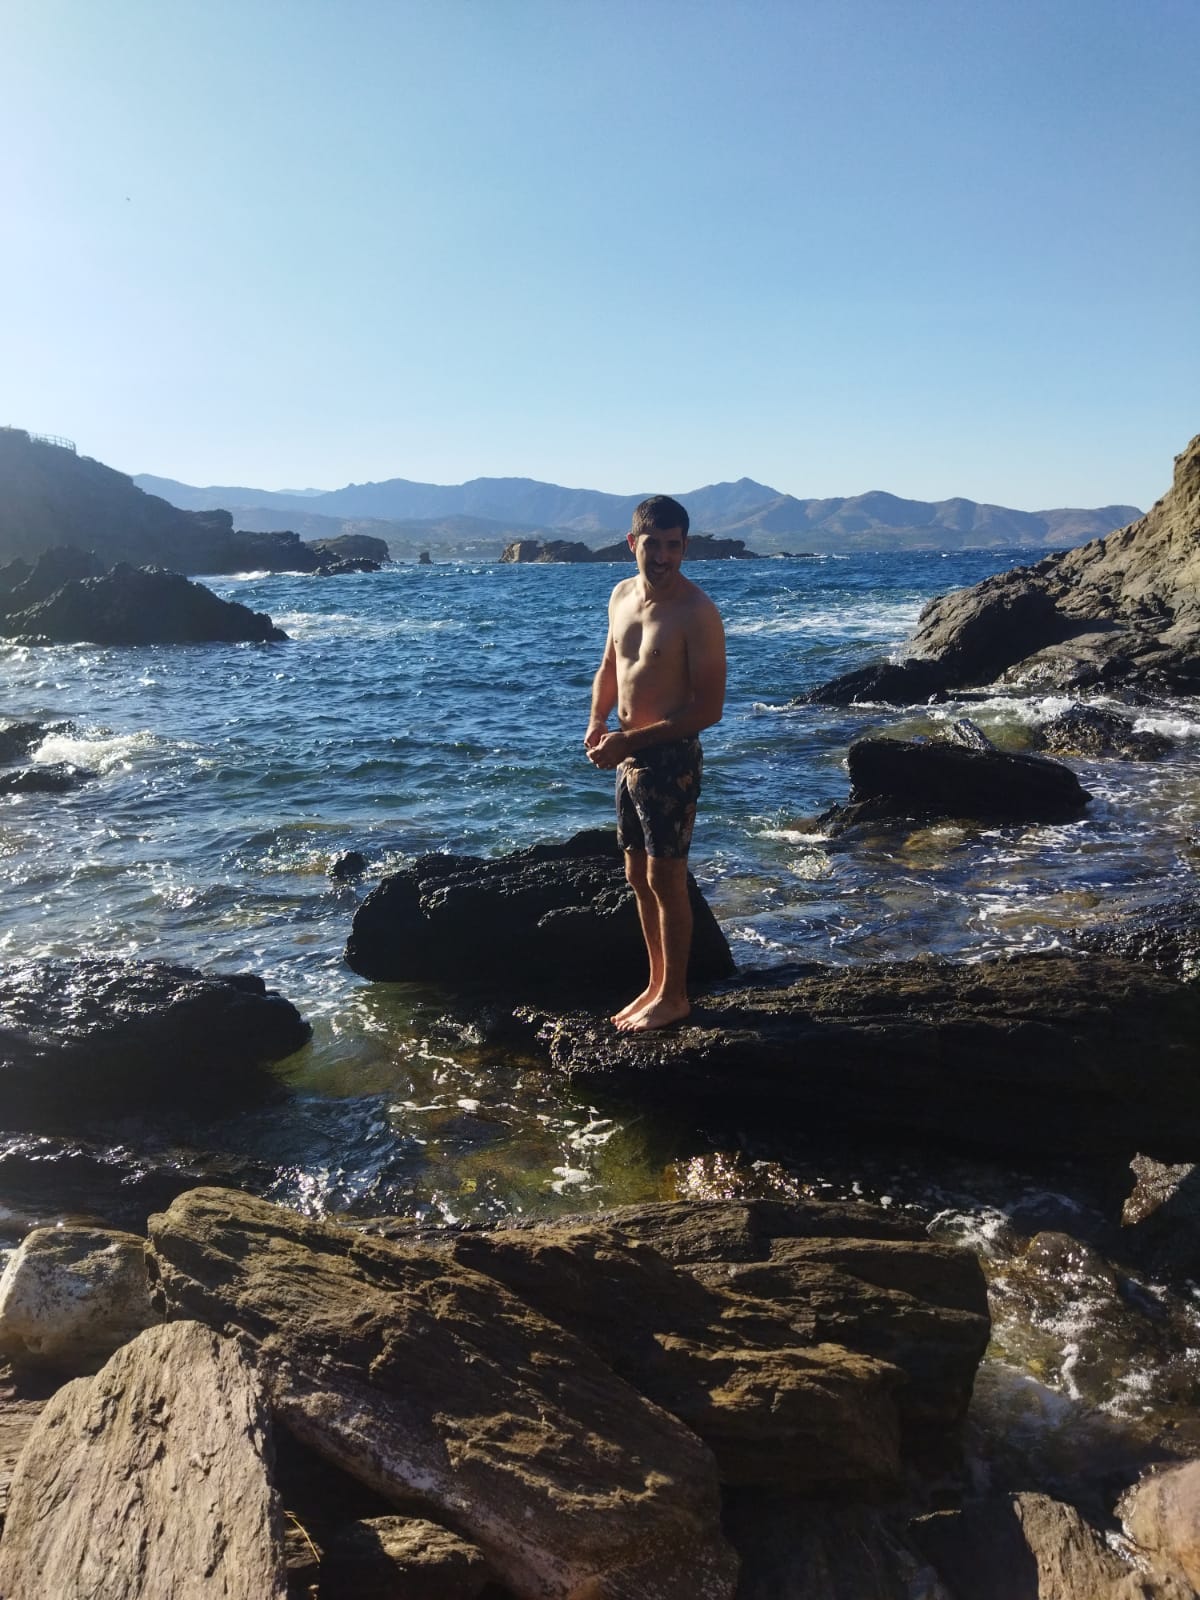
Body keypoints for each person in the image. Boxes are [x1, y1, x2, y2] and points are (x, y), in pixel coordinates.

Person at [584, 495, 727, 1031]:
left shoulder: (697, 613)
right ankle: (655, 983)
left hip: (670, 758)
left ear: (685, 547)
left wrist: (629, 741)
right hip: (627, 755)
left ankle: (675, 996)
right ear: (632, 543)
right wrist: (597, 721)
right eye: (653, 545)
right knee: (637, 875)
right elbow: (610, 665)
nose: (663, 557)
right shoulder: (620, 595)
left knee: (667, 878)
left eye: (674, 546)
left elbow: (708, 709)